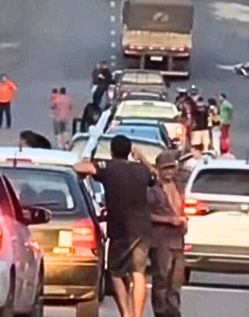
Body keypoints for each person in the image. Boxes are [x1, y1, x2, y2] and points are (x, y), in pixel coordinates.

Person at [73, 135, 157, 317]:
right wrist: (141, 157)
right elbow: (154, 174)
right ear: (129, 151)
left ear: (112, 151)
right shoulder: (141, 170)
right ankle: (137, 315)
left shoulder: (108, 167)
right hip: (142, 228)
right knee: (138, 272)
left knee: (116, 272)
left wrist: (87, 162)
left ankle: (126, 313)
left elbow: (80, 168)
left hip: (120, 227)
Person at [147, 151, 186, 317]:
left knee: (176, 280)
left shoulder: (179, 187)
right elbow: (146, 215)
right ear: (159, 170)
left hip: (178, 240)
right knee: (161, 278)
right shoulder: (153, 191)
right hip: (161, 240)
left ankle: (174, 311)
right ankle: (161, 312)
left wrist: (183, 221)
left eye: (171, 168)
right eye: (165, 168)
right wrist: (168, 220)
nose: (169, 172)